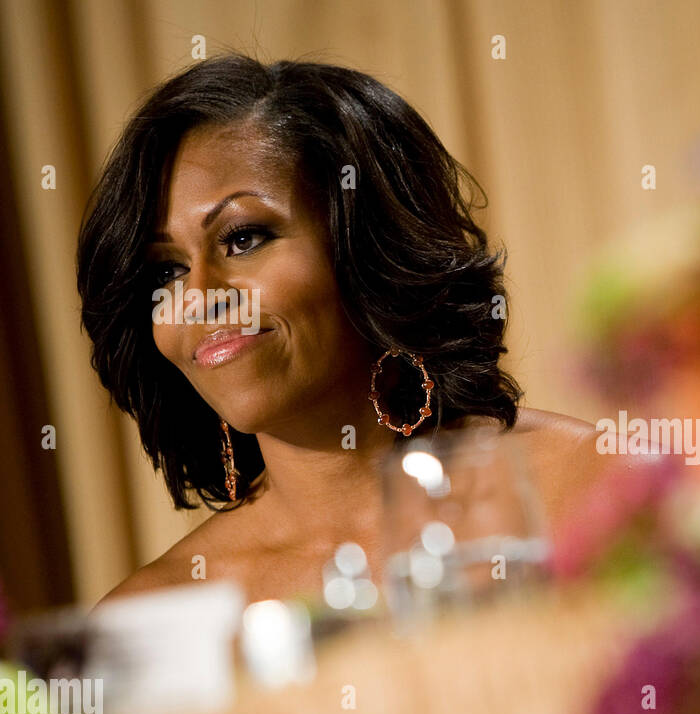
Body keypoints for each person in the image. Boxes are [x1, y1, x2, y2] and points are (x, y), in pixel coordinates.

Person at [80, 55, 649, 606]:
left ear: (366, 248)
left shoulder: (605, 486)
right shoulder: (154, 616)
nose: (200, 297)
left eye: (244, 238)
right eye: (167, 271)